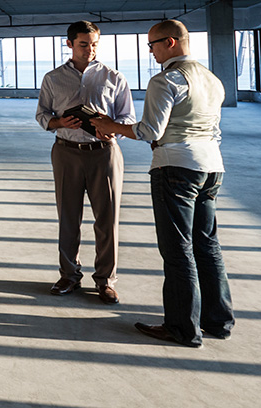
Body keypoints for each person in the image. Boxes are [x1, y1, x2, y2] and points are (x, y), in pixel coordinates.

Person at [93, 19, 234, 348]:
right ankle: (218, 320)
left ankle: (182, 327)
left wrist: (108, 124)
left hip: (176, 167)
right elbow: (212, 129)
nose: (151, 51)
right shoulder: (212, 79)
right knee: (208, 247)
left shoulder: (166, 79)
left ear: (170, 42)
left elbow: (149, 132)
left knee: (177, 250)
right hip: (212, 166)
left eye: (152, 44)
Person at [36, 20, 135, 304]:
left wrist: (111, 127)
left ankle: (106, 281)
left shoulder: (114, 77)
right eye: (83, 44)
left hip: (104, 152)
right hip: (65, 151)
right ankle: (69, 275)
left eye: (94, 45)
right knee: (68, 217)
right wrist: (58, 121)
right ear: (69, 44)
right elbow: (42, 114)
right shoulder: (53, 78)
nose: (90, 50)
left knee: (107, 219)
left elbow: (128, 118)